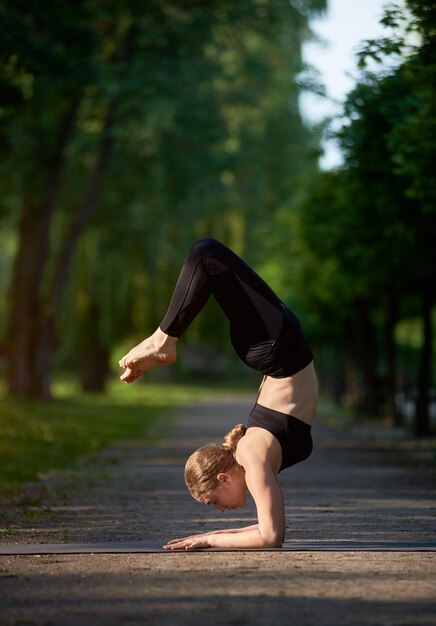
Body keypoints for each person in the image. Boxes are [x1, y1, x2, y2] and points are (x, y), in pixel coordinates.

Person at [119, 238, 318, 549]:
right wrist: (206, 537)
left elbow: (270, 538)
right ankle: (165, 340)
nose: (221, 510)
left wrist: (211, 539)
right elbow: (269, 528)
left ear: (224, 478)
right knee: (208, 259)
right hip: (281, 344)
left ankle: (163, 340)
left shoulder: (251, 457)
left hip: (277, 347)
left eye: (214, 502)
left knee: (206, 254)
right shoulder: (252, 458)